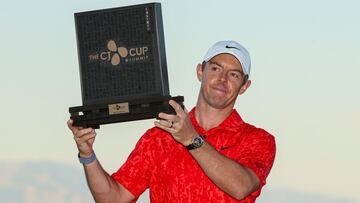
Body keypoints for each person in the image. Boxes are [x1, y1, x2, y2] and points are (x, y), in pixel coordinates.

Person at [67, 40, 276, 203]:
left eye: (233, 75)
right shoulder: (159, 138)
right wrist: (87, 155)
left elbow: (240, 187)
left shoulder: (257, 140)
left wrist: (191, 138)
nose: (222, 79)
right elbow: (113, 198)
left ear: (244, 86)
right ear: (200, 71)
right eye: (215, 68)